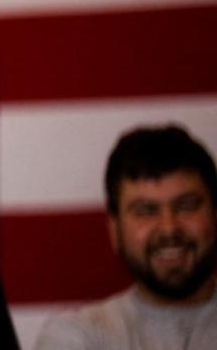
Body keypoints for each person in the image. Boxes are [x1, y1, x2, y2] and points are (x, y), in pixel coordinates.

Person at [36, 125, 217, 349]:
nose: (169, 229)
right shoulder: (78, 336)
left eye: (186, 206)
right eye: (146, 211)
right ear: (114, 230)